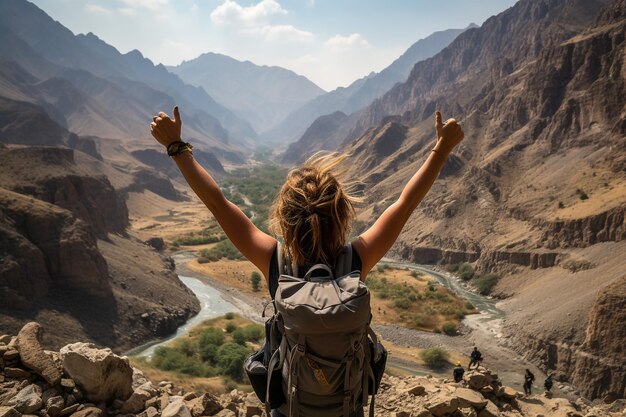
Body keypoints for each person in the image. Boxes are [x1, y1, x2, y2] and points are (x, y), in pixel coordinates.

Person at [150, 107, 464, 417]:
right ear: (341, 215)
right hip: (346, 408)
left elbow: (217, 202)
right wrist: (442, 147)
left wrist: (176, 147)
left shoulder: (274, 261)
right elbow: (406, 202)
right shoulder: (358, 259)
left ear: (285, 218)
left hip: (291, 408)